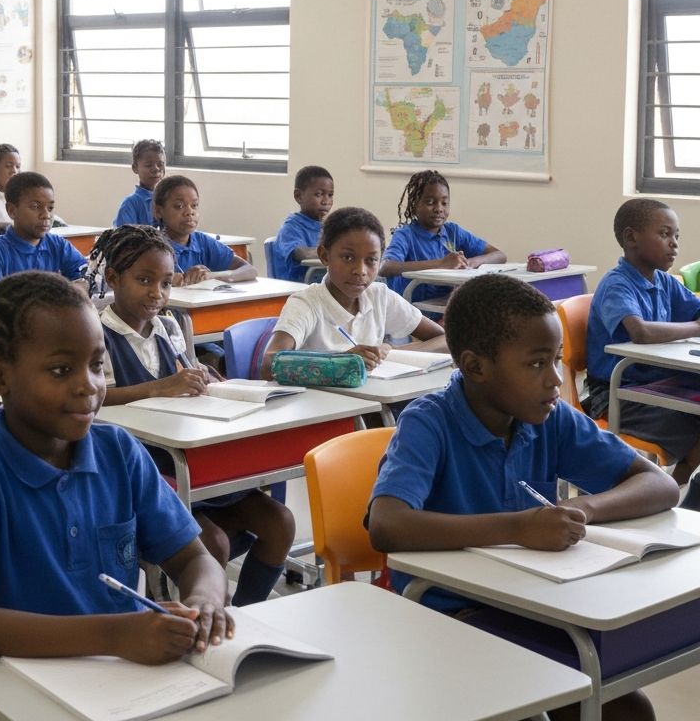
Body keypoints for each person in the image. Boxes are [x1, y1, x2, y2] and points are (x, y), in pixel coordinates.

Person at [368, 274, 678, 721]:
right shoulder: (428, 423)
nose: (556, 380)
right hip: (443, 612)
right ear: (476, 367)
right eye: (536, 364)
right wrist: (517, 527)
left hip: (529, 600)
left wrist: (581, 508)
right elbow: (386, 525)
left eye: (556, 360)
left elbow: (660, 485)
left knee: (628, 711)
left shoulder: (548, 417)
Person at [0, 272, 230, 721]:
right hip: (10, 696)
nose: (88, 385)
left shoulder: (119, 453)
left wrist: (205, 600)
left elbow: (195, 559)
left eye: (97, 364)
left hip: (126, 684)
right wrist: (115, 636)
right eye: (61, 370)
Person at [89, 225, 295, 607]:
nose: (157, 293)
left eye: (166, 283)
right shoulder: (99, 335)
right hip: (151, 467)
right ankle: (200, 623)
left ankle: (242, 615)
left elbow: (187, 374)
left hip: (195, 456)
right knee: (212, 543)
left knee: (280, 522)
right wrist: (160, 386)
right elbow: (99, 397)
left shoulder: (168, 327)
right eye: (144, 280)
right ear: (113, 279)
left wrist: (208, 379)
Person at [586, 197, 700, 491]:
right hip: (617, 393)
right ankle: (671, 489)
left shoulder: (664, 281)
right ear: (630, 238)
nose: (674, 244)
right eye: (664, 234)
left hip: (659, 384)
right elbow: (641, 332)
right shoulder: (617, 284)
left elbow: (695, 308)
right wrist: (696, 327)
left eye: (676, 236)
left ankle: (675, 487)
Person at [261, 206, 446, 381]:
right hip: (320, 409)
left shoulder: (379, 295)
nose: (360, 270)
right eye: (348, 258)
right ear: (325, 256)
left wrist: (392, 352)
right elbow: (269, 363)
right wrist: (341, 363)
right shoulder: (307, 303)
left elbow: (445, 339)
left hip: (370, 406)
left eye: (371, 260)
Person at [380, 170, 505, 309]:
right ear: (415, 205)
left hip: (444, 307)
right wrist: (441, 263)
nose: (439, 209)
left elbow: (499, 255)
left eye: (444, 203)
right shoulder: (405, 235)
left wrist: (469, 262)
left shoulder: (453, 232)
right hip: (414, 313)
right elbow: (386, 267)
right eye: (430, 202)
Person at [0, 172, 87, 302]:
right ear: (12, 211)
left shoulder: (58, 245)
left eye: (50, 208)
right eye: (35, 207)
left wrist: (69, 293)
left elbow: (85, 278)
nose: (46, 215)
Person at [152, 175, 256, 286]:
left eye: (194, 205)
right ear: (158, 211)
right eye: (179, 206)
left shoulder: (202, 242)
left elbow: (250, 270)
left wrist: (211, 276)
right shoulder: (153, 247)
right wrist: (171, 280)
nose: (190, 212)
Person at [270, 165, 334, 281]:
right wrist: (334, 253)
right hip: (296, 288)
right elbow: (300, 253)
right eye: (319, 194)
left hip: (320, 286)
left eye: (330, 195)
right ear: (298, 196)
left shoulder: (328, 227)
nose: (326, 201)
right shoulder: (291, 226)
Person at [113, 138, 166, 227]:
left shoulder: (169, 199)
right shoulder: (130, 204)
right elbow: (122, 237)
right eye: (149, 165)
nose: (156, 169)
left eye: (160, 164)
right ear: (135, 168)